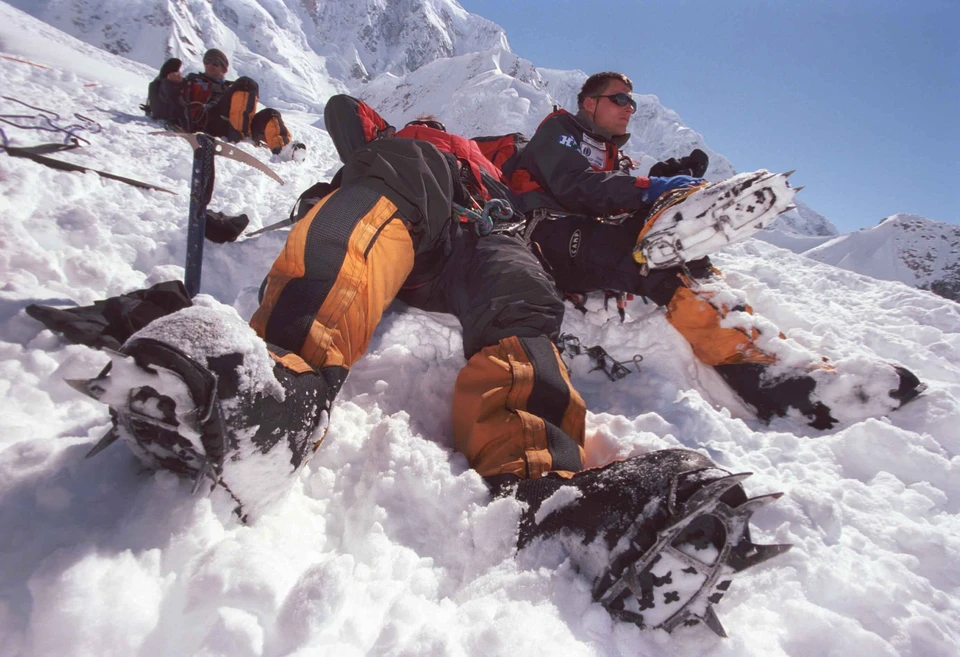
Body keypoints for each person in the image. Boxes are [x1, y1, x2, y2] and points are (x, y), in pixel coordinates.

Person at [62, 97, 791, 638]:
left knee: (522, 287)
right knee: (385, 196)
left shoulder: (500, 156)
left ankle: (548, 489)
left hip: (485, 228)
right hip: (409, 201)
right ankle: (281, 388)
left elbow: (556, 185)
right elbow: (343, 111)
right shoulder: (410, 138)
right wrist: (398, 134)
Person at [503, 71, 924, 429]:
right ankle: (763, 382)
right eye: (620, 99)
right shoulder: (561, 132)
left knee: (678, 250)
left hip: (583, 232)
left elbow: (604, 191)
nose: (629, 107)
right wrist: (650, 188)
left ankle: (769, 352)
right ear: (589, 102)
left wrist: (662, 177)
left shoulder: (608, 151)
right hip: (550, 236)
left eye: (631, 101)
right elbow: (576, 187)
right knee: (656, 264)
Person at [144, 49, 305, 161]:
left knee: (270, 114)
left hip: (233, 121)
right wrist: (171, 83)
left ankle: (282, 150)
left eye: (215, 62)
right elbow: (171, 104)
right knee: (246, 83)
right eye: (207, 61)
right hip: (209, 121)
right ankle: (238, 138)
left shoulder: (230, 88)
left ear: (224, 68)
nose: (209, 65)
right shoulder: (194, 81)